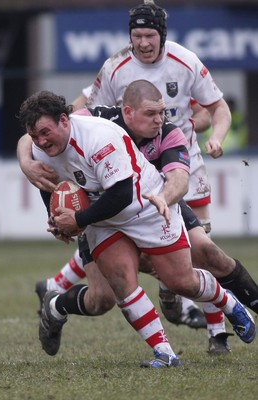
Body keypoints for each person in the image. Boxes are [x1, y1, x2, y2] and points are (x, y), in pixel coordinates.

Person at [18, 0, 223, 332]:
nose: (142, 42)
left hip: (179, 170)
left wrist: (211, 131)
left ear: (162, 36)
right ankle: (61, 291)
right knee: (108, 288)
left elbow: (213, 110)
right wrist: (26, 156)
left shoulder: (184, 63)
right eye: (136, 35)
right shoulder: (115, 68)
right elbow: (65, 116)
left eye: (149, 35)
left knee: (199, 256)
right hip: (125, 172)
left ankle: (214, 329)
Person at [18, 88, 256, 368]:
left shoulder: (99, 137)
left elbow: (121, 195)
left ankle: (228, 303)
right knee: (119, 282)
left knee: (181, 281)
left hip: (146, 205)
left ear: (64, 121)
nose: (41, 142)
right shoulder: (41, 145)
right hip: (102, 220)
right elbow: (50, 184)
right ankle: (165, 354)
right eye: (35, 136)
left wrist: (78, 220)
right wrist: (55, 217)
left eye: (45, 133)